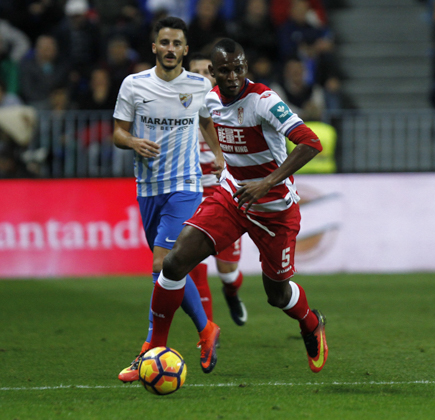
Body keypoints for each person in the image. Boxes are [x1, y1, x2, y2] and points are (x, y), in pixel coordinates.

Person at [146, 38, 328, 373]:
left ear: (246, 68)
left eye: (239, 68)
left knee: (276, 294)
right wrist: (219, 156)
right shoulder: (211, 100)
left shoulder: (263, 100)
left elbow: (310, 142)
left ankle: (310, 323)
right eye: (225, 70)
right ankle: (152, 349)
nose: (233, 76)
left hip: (274, 209)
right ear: (213, 72)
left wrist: (267, 182)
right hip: (232, 198)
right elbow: (204, 120)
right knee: (173, 264)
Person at [112, 16, 225, 382]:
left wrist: (219, 156)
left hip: (186, 186)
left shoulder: (198, 85)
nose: (171, 49)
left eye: (177, 44)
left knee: (163, 264)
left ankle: (149, 349)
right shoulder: (134, 85)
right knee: (170, 270)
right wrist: (132, 143)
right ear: (154, 47)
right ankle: (206, 329)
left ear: (186, 49)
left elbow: (207, 120)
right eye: (165, 43)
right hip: (148, 189)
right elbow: (118, 132)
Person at [187, 53, 247, 327]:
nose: (200, 76)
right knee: (194, 266)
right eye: (194, 71)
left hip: (223, 196)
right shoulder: (180, 111)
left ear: (214, 75)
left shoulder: (229, 110)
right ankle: (208, 333)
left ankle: (232, 292)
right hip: (189, 197)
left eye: (205, 71)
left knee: (227, 271)